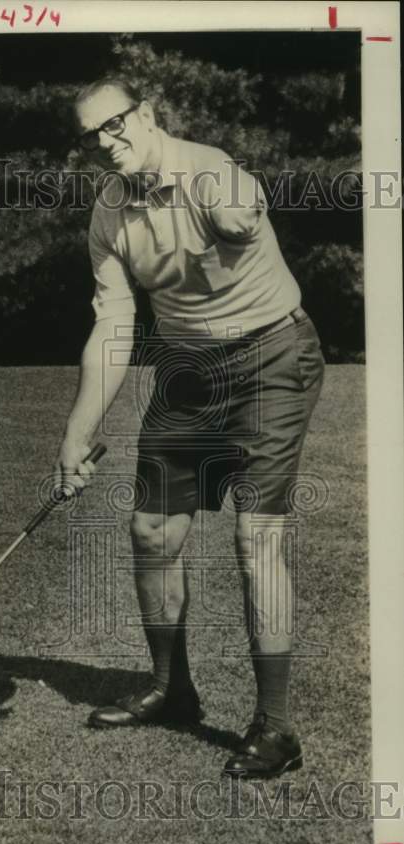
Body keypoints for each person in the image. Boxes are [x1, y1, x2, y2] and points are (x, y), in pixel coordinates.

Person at [55, 78, 325, 779]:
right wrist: (77, 433)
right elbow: (113, 327)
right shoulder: (109, 213)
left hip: (271, 355)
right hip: (186, 370)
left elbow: (241, 207)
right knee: (151, 529)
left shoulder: (207, 169)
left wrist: (236, 212)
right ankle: (172, 689)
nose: (104, 143)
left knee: (252, 534)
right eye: (90, 137)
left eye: (114, 126)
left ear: (144, 116)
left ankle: (275, 727)